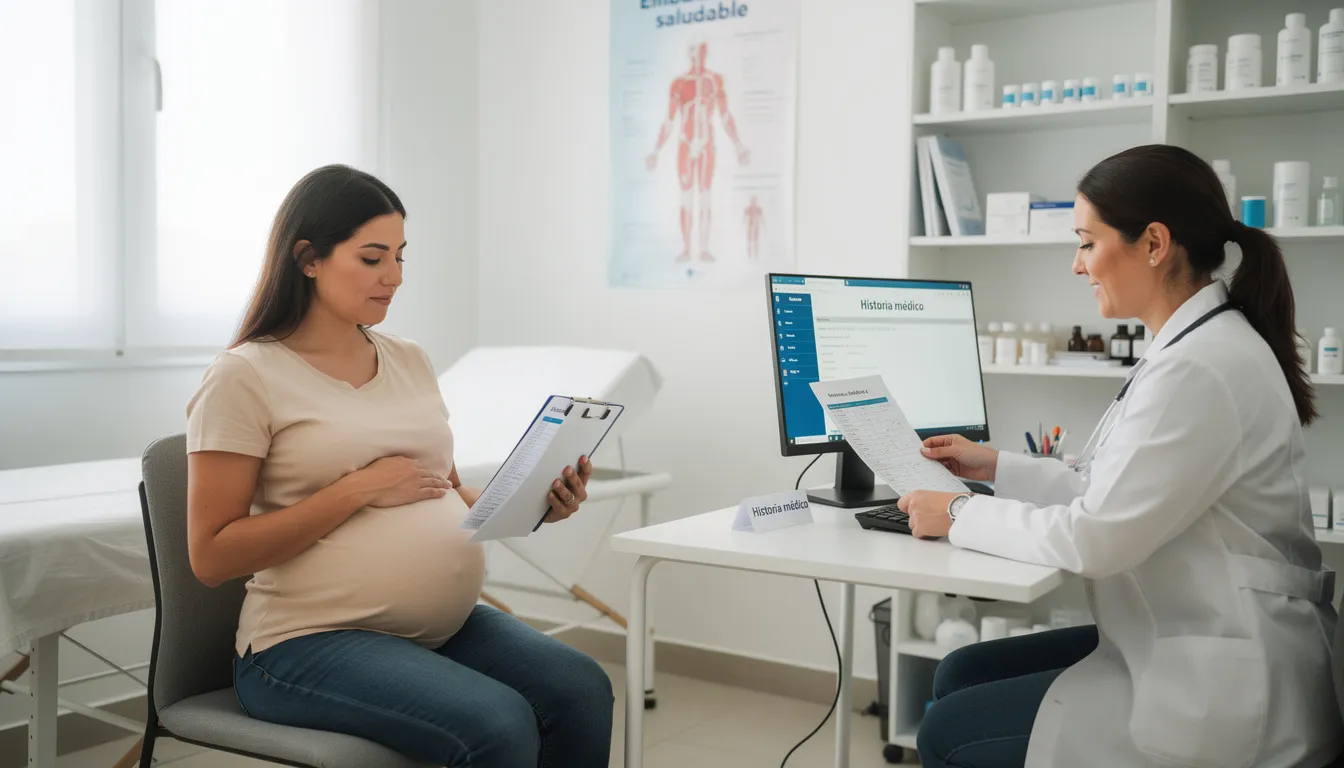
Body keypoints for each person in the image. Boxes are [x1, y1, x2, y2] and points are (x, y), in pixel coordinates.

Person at [898, 145, 1343, 768]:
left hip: (1225, 677)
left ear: (1154, 243)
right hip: (1183, 632)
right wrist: (995, 465)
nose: (1077, 265)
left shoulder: (1201, 367)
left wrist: (959, 515)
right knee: (962, 670)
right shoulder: (1191, 344)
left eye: (1086, 242)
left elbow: (1097, 537)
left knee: (947, 726)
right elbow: (1108, 482)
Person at [185, 165, 613, 767]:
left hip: (439, 629)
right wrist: (355, 490)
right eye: (372, 258)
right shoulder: (244, 375)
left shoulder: (409, 359)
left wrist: (538, 501)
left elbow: (449, 487)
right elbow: (211, 555)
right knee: (498, 724)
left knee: (581, 687)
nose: (394, 277)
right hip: (303, 644)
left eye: (401, 257)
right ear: (308, 258)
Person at [646, 41, 750, 263]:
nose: (698, 55)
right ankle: (686, 248)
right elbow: (669, 120)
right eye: (694, 50)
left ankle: (702, 249)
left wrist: (738, 145)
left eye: (701, 50)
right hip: (686, 142)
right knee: (686, 197)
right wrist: (655, 150)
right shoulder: (680, 83)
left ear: (706, 53)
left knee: (704, 196)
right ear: (689, 53)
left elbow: (724, 116)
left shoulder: (715, 80)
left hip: (706, 143)